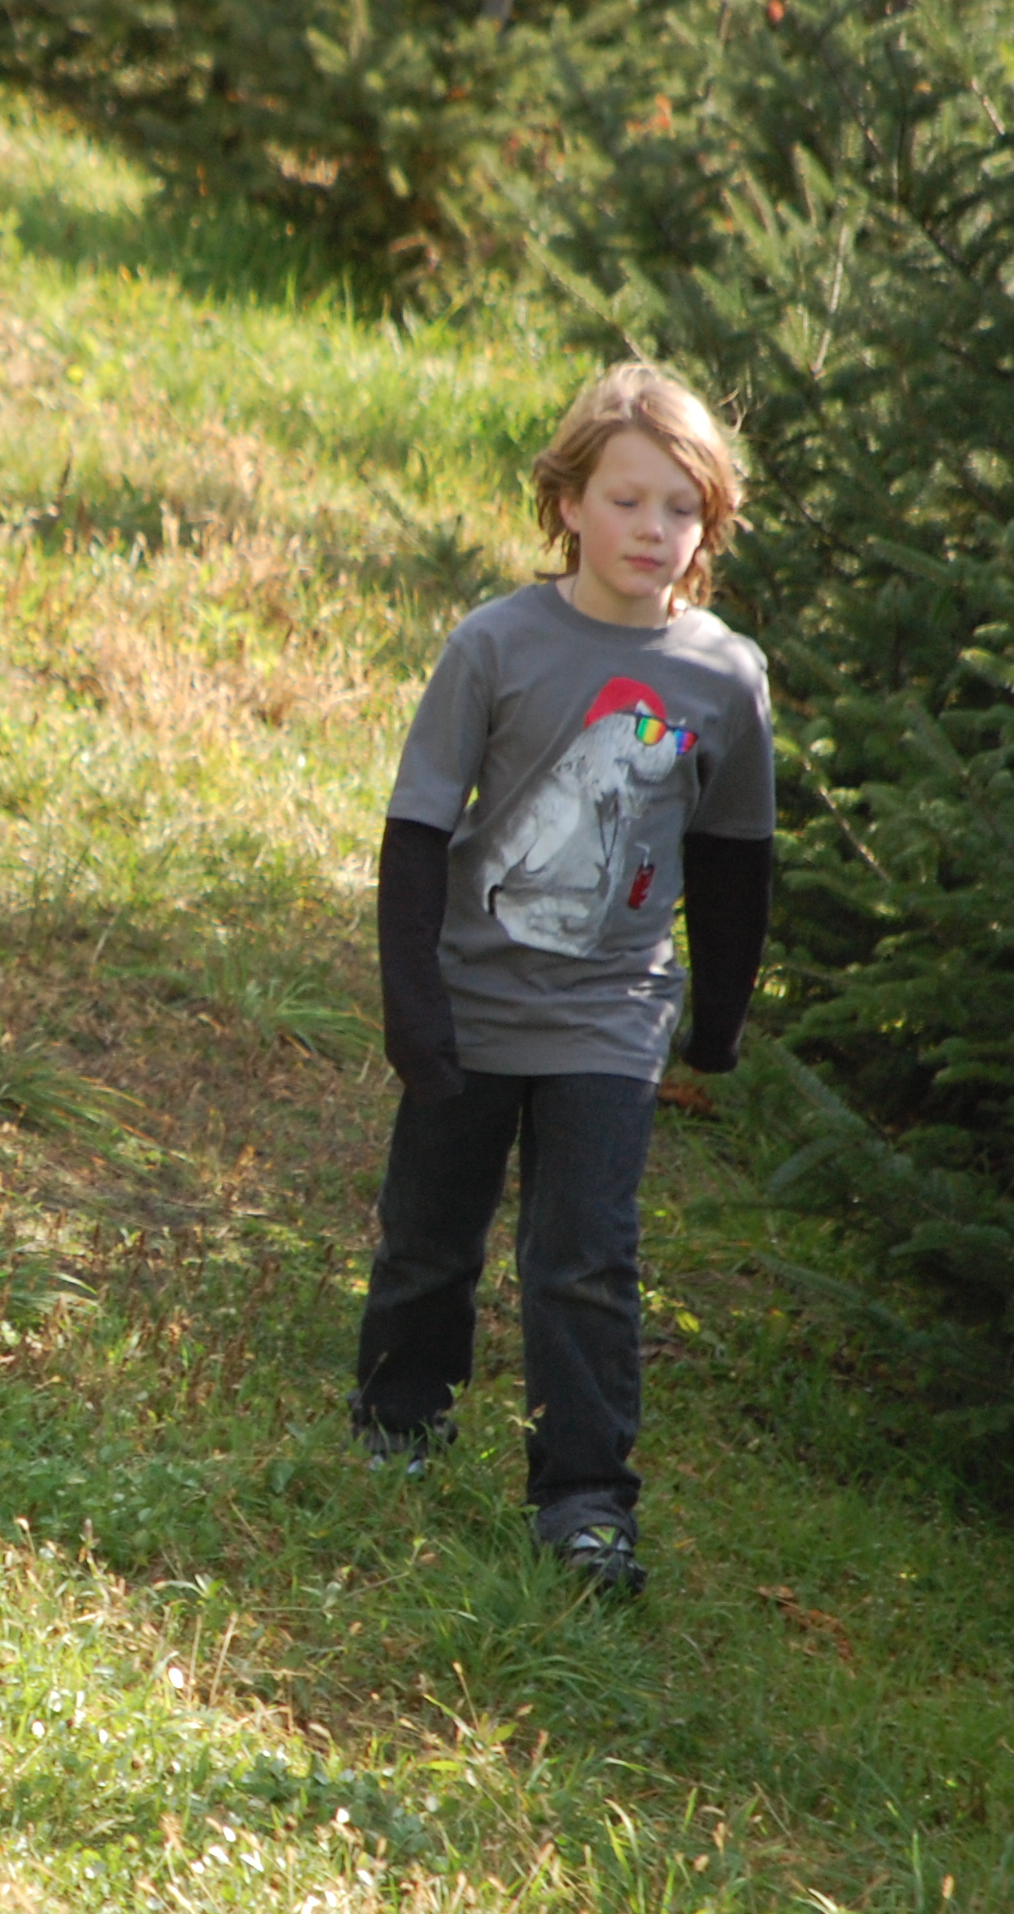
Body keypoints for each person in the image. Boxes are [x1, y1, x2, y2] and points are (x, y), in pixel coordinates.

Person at [349, 361, 775, 1596]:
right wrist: (412, 1007)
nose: (652, 529)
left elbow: (734, 853)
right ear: (567, 502)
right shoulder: (495, 644)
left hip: (609, 1015)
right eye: (626, 500)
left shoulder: (723, 676)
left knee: (582, 1257)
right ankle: (396, 1426)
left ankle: (584, 1503)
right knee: (429, 1240)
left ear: (709, 523)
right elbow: (416, 829)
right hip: (470, 1002)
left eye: (680, 508)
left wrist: (719, 1015)